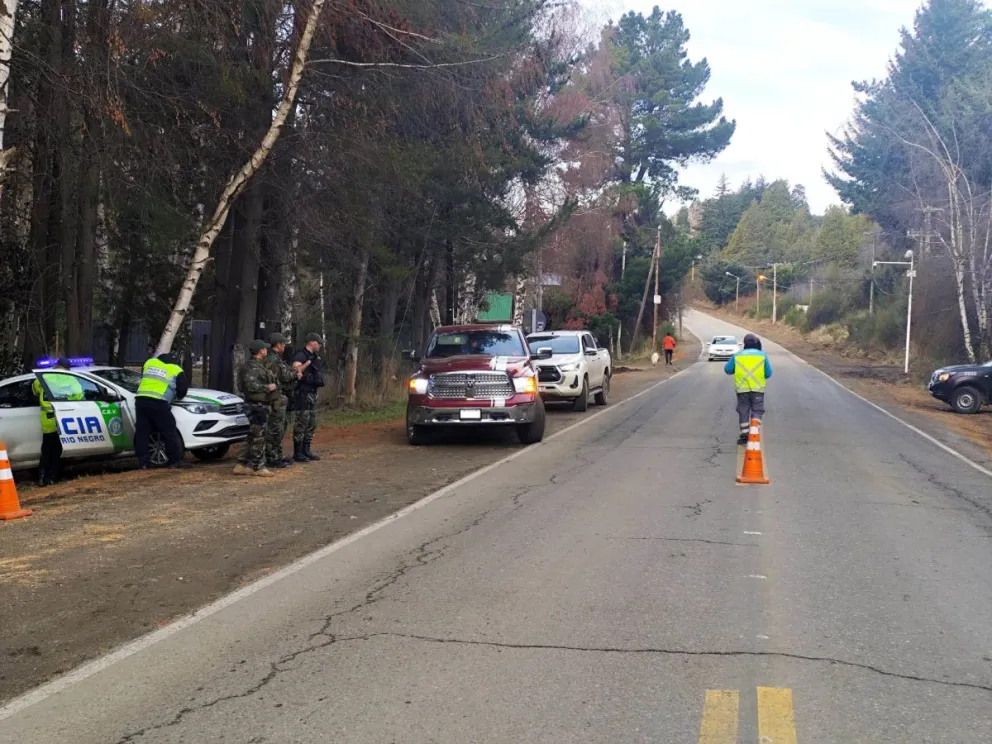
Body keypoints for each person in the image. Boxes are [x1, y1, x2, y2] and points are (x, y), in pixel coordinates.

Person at [31, 357, 84, 486]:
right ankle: (53, 478)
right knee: (57, 451)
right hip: (63, 418)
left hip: (47, 418)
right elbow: (79, 396)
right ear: (67, 367)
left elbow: (35, 390)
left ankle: (41, 478)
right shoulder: (71, 379)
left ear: (56, 366)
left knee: (46, 450)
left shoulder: (44, 377)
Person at [135, 352, 190, 469]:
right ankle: (174, 461)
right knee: (169, 431)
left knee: (142, 432)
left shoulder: (149, 363)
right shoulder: (175, 369)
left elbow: (144, 377)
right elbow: (182, 389)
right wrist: (176, 396)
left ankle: (144, 462)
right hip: (159, 402)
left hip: (141, 400)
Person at [234, 340, 279, 477]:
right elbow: (249, 385)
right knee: (259, 436)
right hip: (255, 405)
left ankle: (241, 464)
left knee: (251, 435)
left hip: (261, 404)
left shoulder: (259, 365)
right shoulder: (251, 367)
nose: (266, 350)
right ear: (260, 351)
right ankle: (258, 466)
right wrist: (267, 387)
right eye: (265, 349)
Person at [725, 333, 773, 445]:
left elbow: (728, 370)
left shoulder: (737, 356)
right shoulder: (762, 355)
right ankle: (754, 433)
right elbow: (768, 373)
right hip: (758, 389)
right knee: (757, 411)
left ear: (744, 343)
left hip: (742, 390)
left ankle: (744, 436)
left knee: (743, 411)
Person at [263, 332, 299, 469]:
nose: (284, 346)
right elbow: (283, 377)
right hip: (275, 397)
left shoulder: (276, 358)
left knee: (280, 426)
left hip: (280, 396)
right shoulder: (273, 359)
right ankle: (272, 457)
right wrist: (295, 373)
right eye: (283, 343)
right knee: (275, 428)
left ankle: (277, 455)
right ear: (278, 345)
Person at [291, 333, 324, 462]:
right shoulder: (301, 355)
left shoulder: (316, 356)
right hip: (302, 393)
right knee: (301, 422)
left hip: (312, 392)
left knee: (311, 423)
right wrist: (308, 362)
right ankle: (298, 452)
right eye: (318, 343)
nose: (320, 345)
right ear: (312, 342)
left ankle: (306, 449)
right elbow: (296, 370)